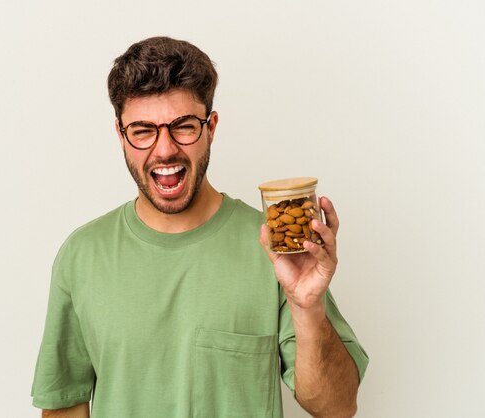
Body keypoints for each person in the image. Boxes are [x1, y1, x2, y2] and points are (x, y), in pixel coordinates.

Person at [31, 36, 368, 418]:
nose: (164, 150)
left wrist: (307, 308)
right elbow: (64, 406)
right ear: (120, 135)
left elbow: (338, 407)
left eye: (184, 126)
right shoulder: (82, 255)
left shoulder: (274, 250)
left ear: (211, 127)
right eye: (142, 130)